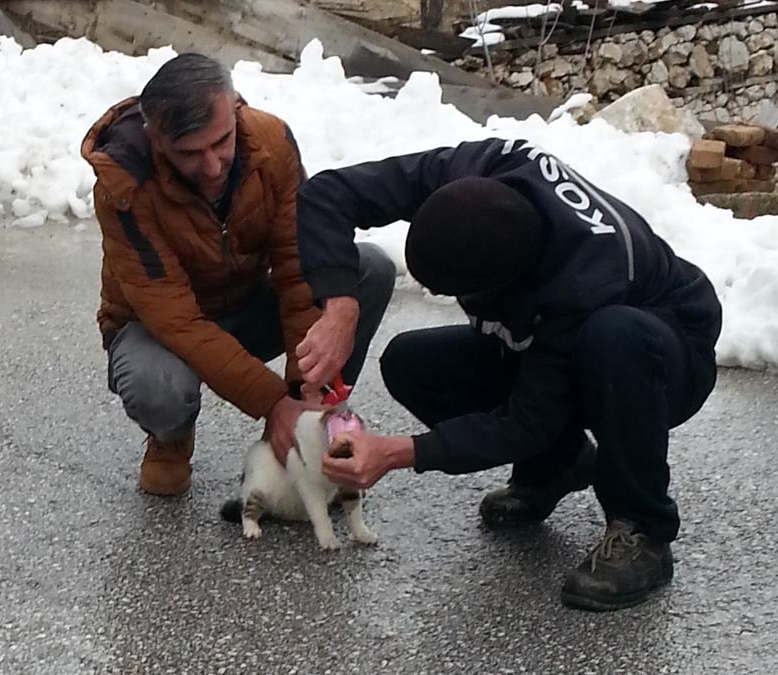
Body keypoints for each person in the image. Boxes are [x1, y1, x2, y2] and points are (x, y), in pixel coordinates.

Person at [296, 138, 722, 612]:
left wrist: (397, 453)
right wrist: (340, 308)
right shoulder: (471, 170)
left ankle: (644, 529)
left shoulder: (586, 277)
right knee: (411, 363)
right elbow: (327, 193)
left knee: (613, 337)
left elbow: (526, 421)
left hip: (666, 354)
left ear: (505, 286)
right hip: (566, 333)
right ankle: (555, 467)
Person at [80, 53, 397, 496]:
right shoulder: (123, 185)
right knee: (159, 388)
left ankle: (318, 413)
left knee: (365, 270)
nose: (211, 167)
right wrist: (272, 405)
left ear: (235, 109)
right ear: (157, 139)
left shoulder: (272, 143)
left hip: (246, 305)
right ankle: (169, 438)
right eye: (189, 153)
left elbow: (295, 266)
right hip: (160, 331)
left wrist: (302, 393)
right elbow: (177, 321)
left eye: (221, 143)